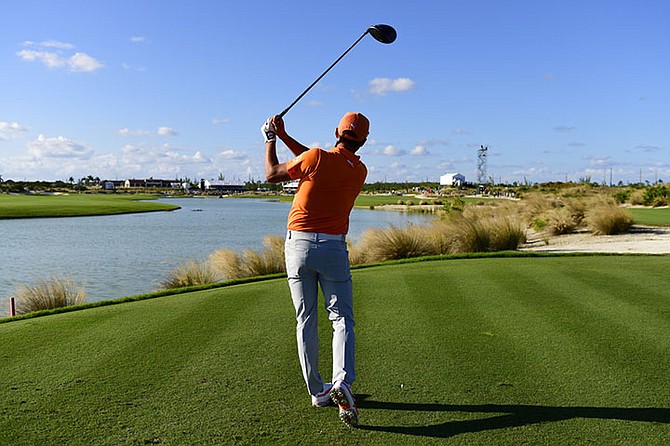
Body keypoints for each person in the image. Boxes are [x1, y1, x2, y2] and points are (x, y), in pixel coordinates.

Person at [261, 112, 369, 427]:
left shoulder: (316, 157)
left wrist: (270, 138)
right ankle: (342, 383)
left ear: (336, 130)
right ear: (362, 140)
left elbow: (272, 174)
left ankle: (317, 391)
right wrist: (283, 135)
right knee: (341, 319)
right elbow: (317, 162)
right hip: (334, 249)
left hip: (298, 247)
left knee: (306, 319)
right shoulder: (359, 170)